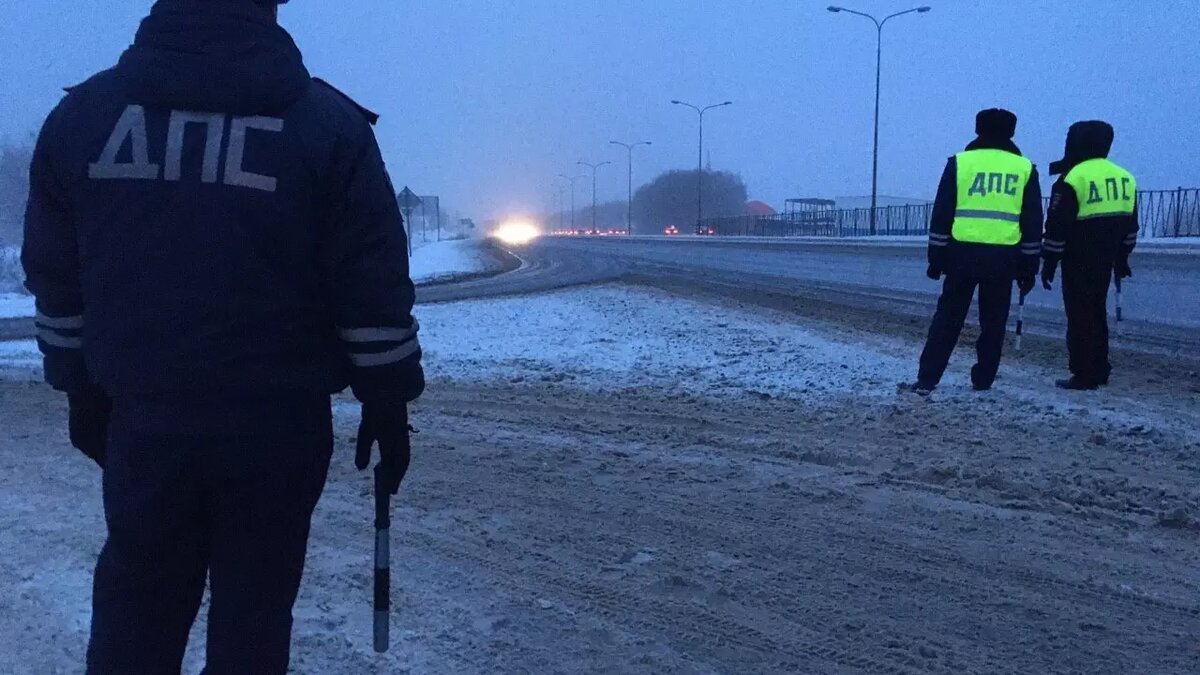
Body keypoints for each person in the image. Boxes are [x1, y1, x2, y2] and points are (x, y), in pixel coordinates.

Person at [21, 0, 424, 671]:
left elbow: (58, 279)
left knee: (136, 611)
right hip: (277, 431)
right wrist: (388, 400)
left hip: (144, 425)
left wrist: (80, 390)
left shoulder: (83, 121)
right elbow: (370, 288)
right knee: (254, 620)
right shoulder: (328, 129)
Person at [906, 108, 1044, 395]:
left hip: (961, 257)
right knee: (994, 324)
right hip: (1004, 259)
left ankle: (927, 379)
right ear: (1012, 132)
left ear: (977, 128)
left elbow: (942, 212)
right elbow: (1032, 221)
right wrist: (1029, 267)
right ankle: (983, 380)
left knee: (947, 319)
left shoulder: (960, 163)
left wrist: (936, 257)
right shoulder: (1025, 168)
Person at [1040, 121, 1138, 390]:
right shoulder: (1125, 177)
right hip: (1107, 258)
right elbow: (1131, 227)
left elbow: (1057, 227)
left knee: (1080, 316)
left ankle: (1084, 373)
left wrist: (1049, 261)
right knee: (1097, 312)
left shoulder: (1072, 178)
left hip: (1078, 258)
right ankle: (1100, 367)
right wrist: (1122, 258)